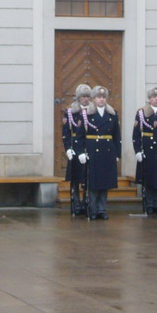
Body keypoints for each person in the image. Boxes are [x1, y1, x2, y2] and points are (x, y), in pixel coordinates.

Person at [82, 86, 120, 220]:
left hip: (107, 150)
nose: (101, 99)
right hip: (92, 149)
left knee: (105, 183)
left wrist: (117, 154)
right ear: (94, 99)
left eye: (103, 97)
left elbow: (116, 135)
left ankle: (102, 209)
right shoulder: (87, 113)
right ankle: (92, 210)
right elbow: (81, 135)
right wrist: (81, 151)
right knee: (93, 183)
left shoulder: (112, 114)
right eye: (98, 97)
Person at [133, 87, 157, 216]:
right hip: (146, 149)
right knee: (147, 178)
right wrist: (137, 151)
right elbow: (136, 134)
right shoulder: (142, 113)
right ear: (149, 99)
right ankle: (149, 204)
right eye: (153, 97)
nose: (156, 99)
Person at [62, 84, 92, 217]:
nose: (86, 99)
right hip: (75, 148)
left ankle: (86, 202)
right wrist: (68, 148)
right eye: (83, 96)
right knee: (76, 178)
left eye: (87, 96)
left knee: (87, 177)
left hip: (89, 147)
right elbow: (66, 132)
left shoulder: (92, 110)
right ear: (78, 98)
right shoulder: (70, 111)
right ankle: (76, 203)